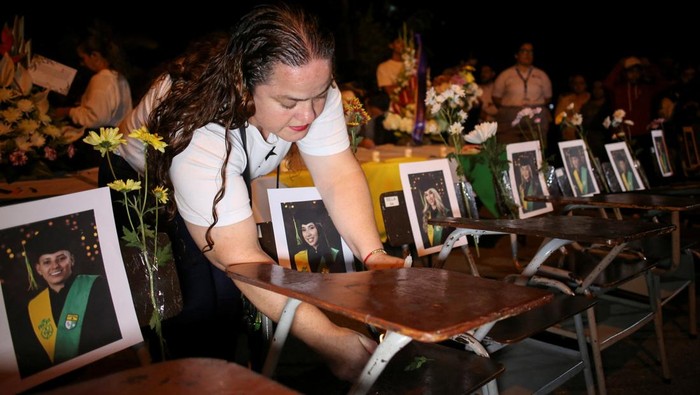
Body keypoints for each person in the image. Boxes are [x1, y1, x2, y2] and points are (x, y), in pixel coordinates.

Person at [108, 3, 404, 381]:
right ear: (244, 87)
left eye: (317, 97)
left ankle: (236, 374)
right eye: (288, 104)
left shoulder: (307, 84)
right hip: (139, 184)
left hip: (215, 172)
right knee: (194, 305)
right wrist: (327, 338)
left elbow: (337, 174)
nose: (309, 116)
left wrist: (373, 254)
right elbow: (240, 258)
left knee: (233, 304)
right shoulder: (199, 130)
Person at [20, 226, 121, 376]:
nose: (55, 266)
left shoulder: (98, 287)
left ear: (72, 260)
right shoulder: (34, 307)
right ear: (38, 269)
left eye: (61, 258)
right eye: (47, 262)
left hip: (101, 372)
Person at [54, 24, 132, 131]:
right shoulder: (120, 77)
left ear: (94, 56)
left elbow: (95, 118)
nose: (82, 63)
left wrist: (67, 111)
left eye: (83, 58)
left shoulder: (101, 79)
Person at [492, 42, 552, 145]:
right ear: (516, 54)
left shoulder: (541, 75)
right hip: (510, 119)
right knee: (508, 149)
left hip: (535, 118)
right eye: (524, 51)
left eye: (531, 51)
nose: (528, 54)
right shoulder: (505, 75)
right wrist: (513, 108)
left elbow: (548, 98)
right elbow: (496, 97)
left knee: (535, 150)